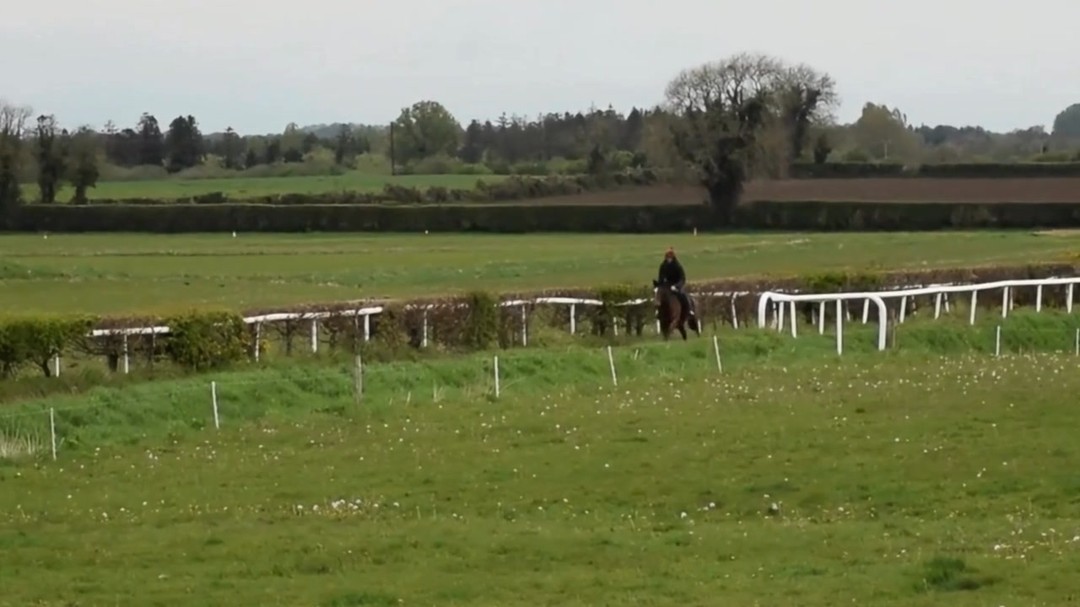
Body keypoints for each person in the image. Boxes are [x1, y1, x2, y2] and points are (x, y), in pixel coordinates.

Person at [657, 247, 695, 319]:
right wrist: (661, 283)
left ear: (673, 258)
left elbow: (682, 278)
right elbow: (660, 277)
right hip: (667, 285)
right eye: (667, 258)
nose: (668, 259)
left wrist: (676, 286)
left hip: (677, 284)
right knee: (660, 295)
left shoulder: (677, 266)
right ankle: (659, 312)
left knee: (683, 295)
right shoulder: (663, 266)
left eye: (670, 258)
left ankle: (690, 310)